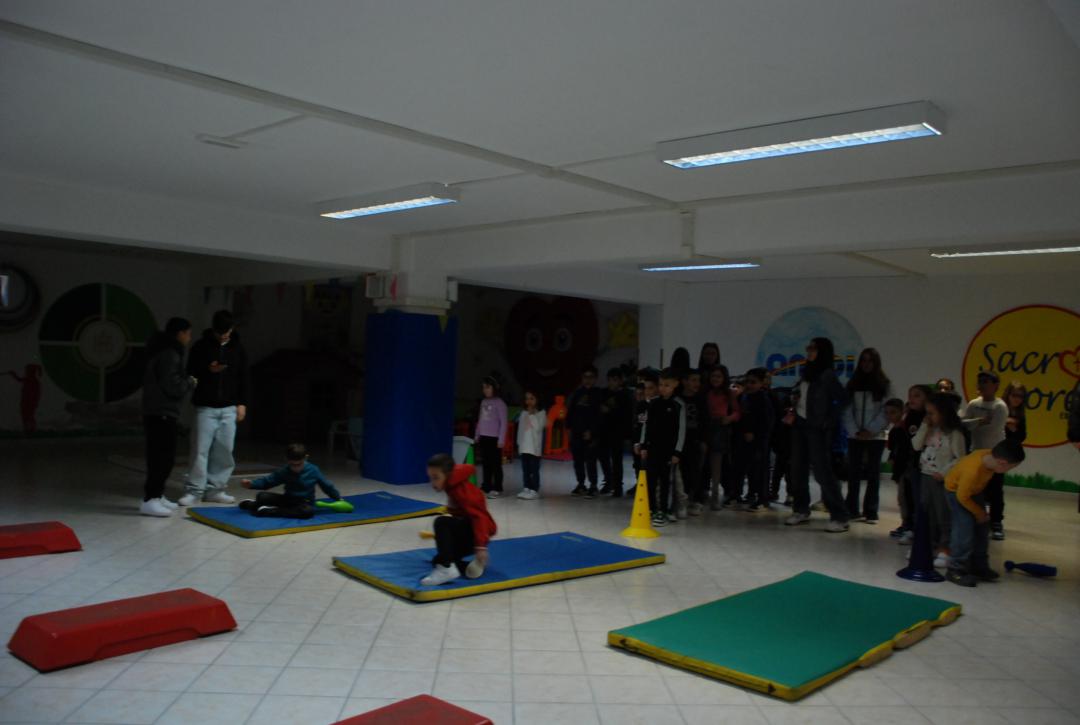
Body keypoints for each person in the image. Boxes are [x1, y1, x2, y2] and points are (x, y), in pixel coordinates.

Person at [181, 310, 247, 506]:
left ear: (232, 329)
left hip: (229, 407)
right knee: (199, 450)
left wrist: (242, 403)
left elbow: (244, 377)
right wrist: (208, 369)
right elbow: (190, 372)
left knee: (225, 450)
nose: (223, 336)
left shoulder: (238, 348)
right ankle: (194, 490)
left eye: (226, 332)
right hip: (205, 406)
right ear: (213, 329)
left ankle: (216, 489)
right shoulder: (200, 346)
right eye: (219, 333)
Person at [783, 337, 849, 532]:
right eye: (808, 348)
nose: (809, 351)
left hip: (817, 428)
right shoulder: (807, 373)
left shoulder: (827, 375)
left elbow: (842, 399)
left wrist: (828, 419)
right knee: (797, 469)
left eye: (813, 348)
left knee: (822, 471)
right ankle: (801, 509)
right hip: (800, 424)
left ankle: (840, 515)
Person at [944, 440, 1025, 587]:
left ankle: (978, 566)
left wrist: (981, 514)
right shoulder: (972, 471)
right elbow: (962, 497)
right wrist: (979, 513)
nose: (1009, 471)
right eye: (1011, 467)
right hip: (956, 493)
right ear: (1002, 463)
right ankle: (955, 569)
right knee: (964, 529)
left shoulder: (989, 457)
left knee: (982, 529)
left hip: (973, 492)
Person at [139, 318, 197, 517]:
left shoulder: (161, 350)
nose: (189, 338)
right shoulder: (170, 354)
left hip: (157, 411)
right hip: (161, 412)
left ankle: (157, 495)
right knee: (161, 458)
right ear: (180, 333)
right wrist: (189, 382)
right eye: (188, 333)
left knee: (162, 456)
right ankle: (151, 499)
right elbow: (172, 386)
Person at [422, 453, 497, 586]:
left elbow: (479, 518)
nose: (432, 483)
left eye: (436, 478)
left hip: (477, 533)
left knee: (441, 522)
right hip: (469, 531)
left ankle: (446, 569)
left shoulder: (462, 491)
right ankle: (464, 567)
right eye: (430, 478)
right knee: (438, 560)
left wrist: (481, 547)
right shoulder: (451, 483)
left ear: (448, 474)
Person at [913, 393, 967, 567]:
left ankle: (945, 548)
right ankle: (927, 545)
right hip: (925, 475)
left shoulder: (954, 434)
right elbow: (916, 445)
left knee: (942, 514)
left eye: (932, 413)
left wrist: (944, 472)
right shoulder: (929, 429)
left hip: (942, 479)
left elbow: (960, 458)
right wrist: (924, 426)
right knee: (926, 512)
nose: (928, 417)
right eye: (927, 413)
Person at [843, 348, 891, 524]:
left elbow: (886, 411)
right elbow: (846, 410)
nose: (866, 364)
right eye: (863, 360)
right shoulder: (852, 384)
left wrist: (871, 430)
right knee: (853, 473)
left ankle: (871, 511)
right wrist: (855, 431)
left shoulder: (885, 385)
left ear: (876, 363)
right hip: (855, 435)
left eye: (870, 361)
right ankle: (851, 509)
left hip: (876, 436)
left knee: (873, 474)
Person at [961, 371, 1009, 540]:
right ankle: (977, 518)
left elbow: (993, 428)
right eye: (980, 381)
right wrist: (980, 421)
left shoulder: (999, 406)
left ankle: (996, 523)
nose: (981, 385)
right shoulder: (973, 404)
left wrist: (975, 424)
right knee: (974, 488)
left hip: (995, 454)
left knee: (995, 490)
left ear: (995, 385)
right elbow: (963, 424)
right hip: (976, 452)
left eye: (986, 382)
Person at [239, 443, 342, 518]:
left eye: (299, 464)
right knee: (262, 496)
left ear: (305, 458)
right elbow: (268, 481)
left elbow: (326, 486)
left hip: (304, 503)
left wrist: (337, 498)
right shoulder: (285, 471)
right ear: (287, 460)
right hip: (288, 500)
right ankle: (252, 504)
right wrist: (251, 484)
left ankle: (269, 511)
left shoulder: (313, 470)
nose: (296, 468)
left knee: (307, 512)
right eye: (292, 464)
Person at [639, 368, 686, 527]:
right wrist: (643, 445)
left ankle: (664, 511)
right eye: (661, 385)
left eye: (667, 385)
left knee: (666, 482)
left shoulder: (678, 404)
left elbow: (681, 430)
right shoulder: (653, 403)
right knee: (651, 480)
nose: (662, 388)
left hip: (669, 451)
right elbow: (646, 425)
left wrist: (677, 451)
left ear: (675, 385)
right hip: (652, 449)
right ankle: (652, 508)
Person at [890, 385, 931, 542]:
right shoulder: (909, 417)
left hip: (924, 464)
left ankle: (921, 529)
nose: (912, 399)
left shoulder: (929, 417)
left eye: (917, 395)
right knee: (907, 496)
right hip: (909, 463)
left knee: (920, 498)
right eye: (910, 395)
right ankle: (909, 526)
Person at [704, 365, 740, 512]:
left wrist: (729, 418)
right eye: (713, 376)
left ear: (724, 378)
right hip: (706, 426)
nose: (715, 379)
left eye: (719, 376)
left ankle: (714, 498)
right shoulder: (705, 392)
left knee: (716, 465)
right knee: (703, 464)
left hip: (720, 428)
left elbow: (737, 412)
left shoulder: (729, 393)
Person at [739, 368, 775, 512]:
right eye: (747, 382)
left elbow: (767, 421)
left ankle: (763, 499)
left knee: (761, 469)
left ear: (761, 383)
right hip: (749, 439)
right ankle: (753, 494)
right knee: (752, 469)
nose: (749, 385)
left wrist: (754, 433)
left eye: (753, 382)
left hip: (760, 440)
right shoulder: (747, 397)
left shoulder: (763, 399)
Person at [567, 365, 604, 498]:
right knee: (578, 461)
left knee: (590, 461)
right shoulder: (577, 394)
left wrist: (592, 432)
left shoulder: (598, 394)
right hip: (577, 432)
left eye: (590, 377)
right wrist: (569, 429)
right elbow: (571, 413)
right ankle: (581, 484)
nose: (587, 380)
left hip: (591, 435)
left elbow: (599, 416)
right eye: (585, 377)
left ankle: (593, 485)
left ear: (595, 378)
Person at [675, 368, 705, 518]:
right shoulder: (677, 399)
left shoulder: (701, 400)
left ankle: (697, 500)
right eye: (693, 380)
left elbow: (705, 421)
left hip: (695, 441)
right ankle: (683, 499)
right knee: (681, 472)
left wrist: (704, 440)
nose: (696, 383)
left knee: (696, 471)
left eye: (698, 380)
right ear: (684, 382)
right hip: (680, 442)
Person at [598, 368, 633, 498]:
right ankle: (609, 482)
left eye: (615, 380)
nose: (612, 383)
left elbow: (626, 415)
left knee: (617, 459)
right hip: (604, 431)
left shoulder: (625, 395)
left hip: (617, 432)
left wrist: (610, 411)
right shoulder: (603, 393)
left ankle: (618, 486)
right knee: (603, 457)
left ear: (620, 381)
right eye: (610, 380)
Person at [476, 376, 508, 499]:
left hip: (494, 439)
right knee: (486, 463)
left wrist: (501, 439)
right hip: (484, 437)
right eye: (483, 387)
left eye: (488, 387)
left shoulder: (500, 403)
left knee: (495, 464)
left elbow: (503, 423)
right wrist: (477, 434)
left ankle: (497, 487)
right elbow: (480, 420)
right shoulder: (483, 402)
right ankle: (486, 486)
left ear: (494, 388)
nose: (485, 390)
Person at [766, 373, 792, 504]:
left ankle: (787, 493)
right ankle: (774, 492)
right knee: (780, 468)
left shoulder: (776, 396)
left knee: (785, 468)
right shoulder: (775, 397)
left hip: (787, 441)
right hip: (780, 439)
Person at [631, 371, 659, 495]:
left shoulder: (659, 404)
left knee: (654, 472)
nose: (647, 392)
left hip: (654, 444)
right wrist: (637, 442)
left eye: (650, 388)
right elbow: (639, 425)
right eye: (645, 389)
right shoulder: (641, 405)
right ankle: (641, 488)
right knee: (639, 467)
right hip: (640, 442)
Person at [516, 389, 546, 500]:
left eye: (532, 399)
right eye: (527, 399)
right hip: (524, 447)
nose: (529, 401)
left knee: (534, 470)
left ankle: (534, 490)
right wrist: (519, 443)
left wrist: (532, 415)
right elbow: (520, 430)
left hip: (534, 448)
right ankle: (526, 488)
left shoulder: (541, 413)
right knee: (525, 470)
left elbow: (538, 428)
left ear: (537, 400)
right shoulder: (523, 413)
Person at [1003, 381, 1028, 445]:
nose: (1017, 399)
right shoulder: (1000, 407)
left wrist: (1014, 429)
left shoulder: (1020, 413)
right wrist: (1004, 421)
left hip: (1010, 448)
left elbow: (1022, 437)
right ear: (1008, 395)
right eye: (1014, 395)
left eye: (1020, 396)